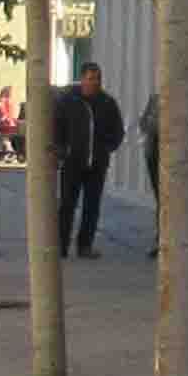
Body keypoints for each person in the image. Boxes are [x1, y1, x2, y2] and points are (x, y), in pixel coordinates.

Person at [56, 65, 126, 258]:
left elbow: (118, 131)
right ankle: (61, 246)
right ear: (82, 79)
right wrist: (63, 151)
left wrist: (107, 149)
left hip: (97, 164)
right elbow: (57, 127)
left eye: (97, 78)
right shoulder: (69, 101)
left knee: (91, 206)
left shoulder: (107, 102)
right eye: (90, 78)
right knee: (67, 205)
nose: (94, 82)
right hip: (73, 163)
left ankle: (85, 246)